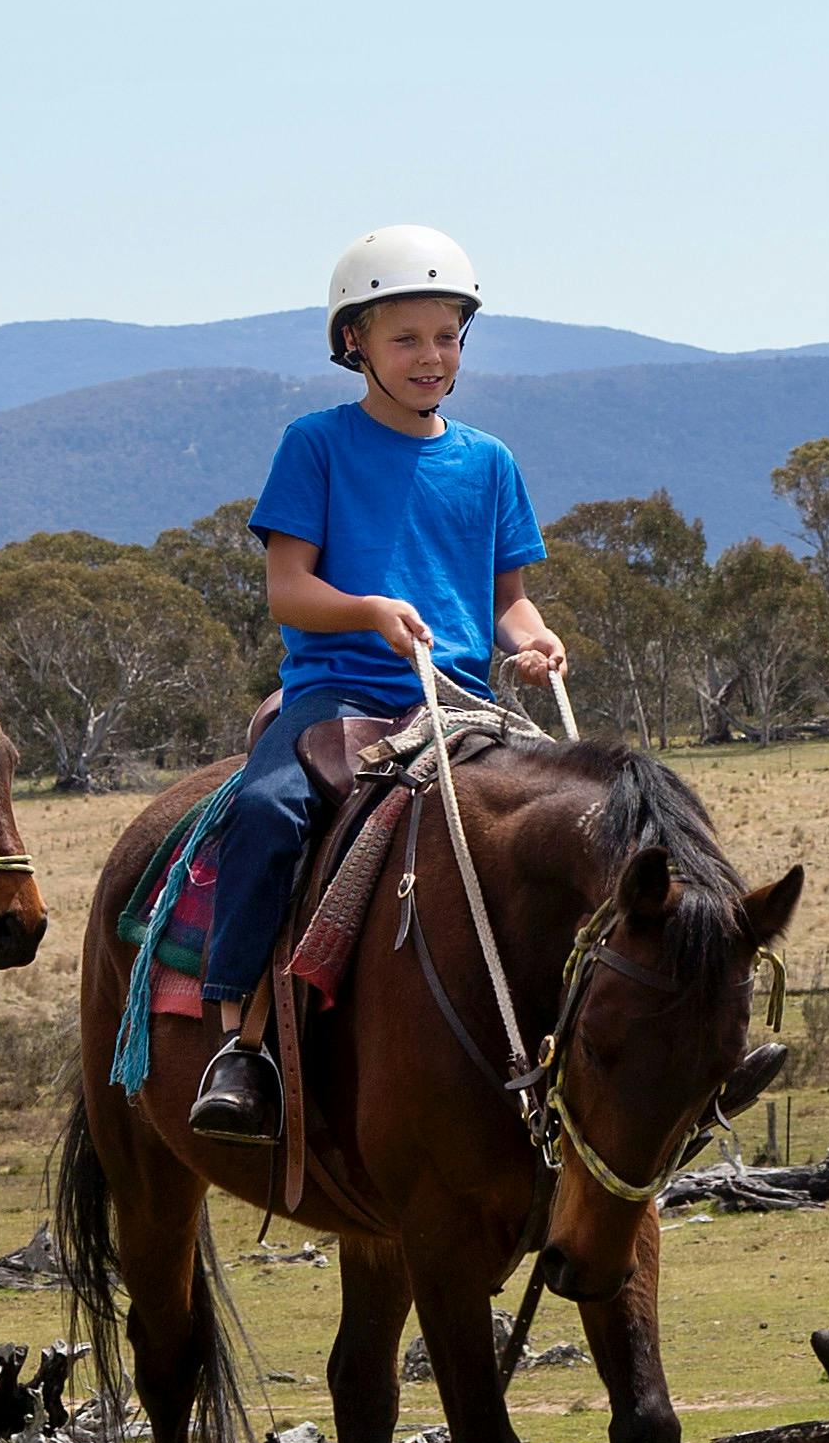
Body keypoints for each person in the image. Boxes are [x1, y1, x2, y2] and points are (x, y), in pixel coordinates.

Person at [184, 226, 570, 1146]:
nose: (431, 357)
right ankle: (240, 1044)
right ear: (354, 340)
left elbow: (507, 599)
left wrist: (535, 638)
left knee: (577, 820)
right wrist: (370, 610)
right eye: (406, 338)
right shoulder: (314, 444)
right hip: (337, 696)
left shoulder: (488, 461)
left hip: (460, 706)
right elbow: (289, 588)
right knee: (272, 809)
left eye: (446, 335)